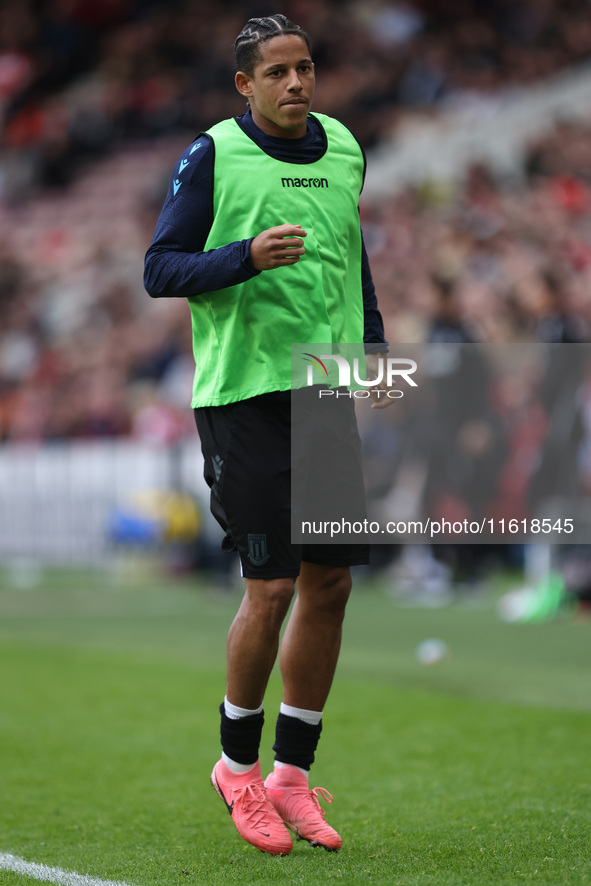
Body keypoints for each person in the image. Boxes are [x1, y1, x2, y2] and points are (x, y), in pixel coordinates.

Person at [144, 14, 389, 856]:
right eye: (276, 73)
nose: (296, 83)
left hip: (320, 387)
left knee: (330, 586)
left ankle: (290, 776)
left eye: (305, 68)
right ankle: (236, 769)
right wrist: (244, 255)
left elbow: (353, 261)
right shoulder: (214, 153)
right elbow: (160, 268)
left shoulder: (346, 148)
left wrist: (373, 350)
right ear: (244, 86)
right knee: (273, 587)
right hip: (242, 392)